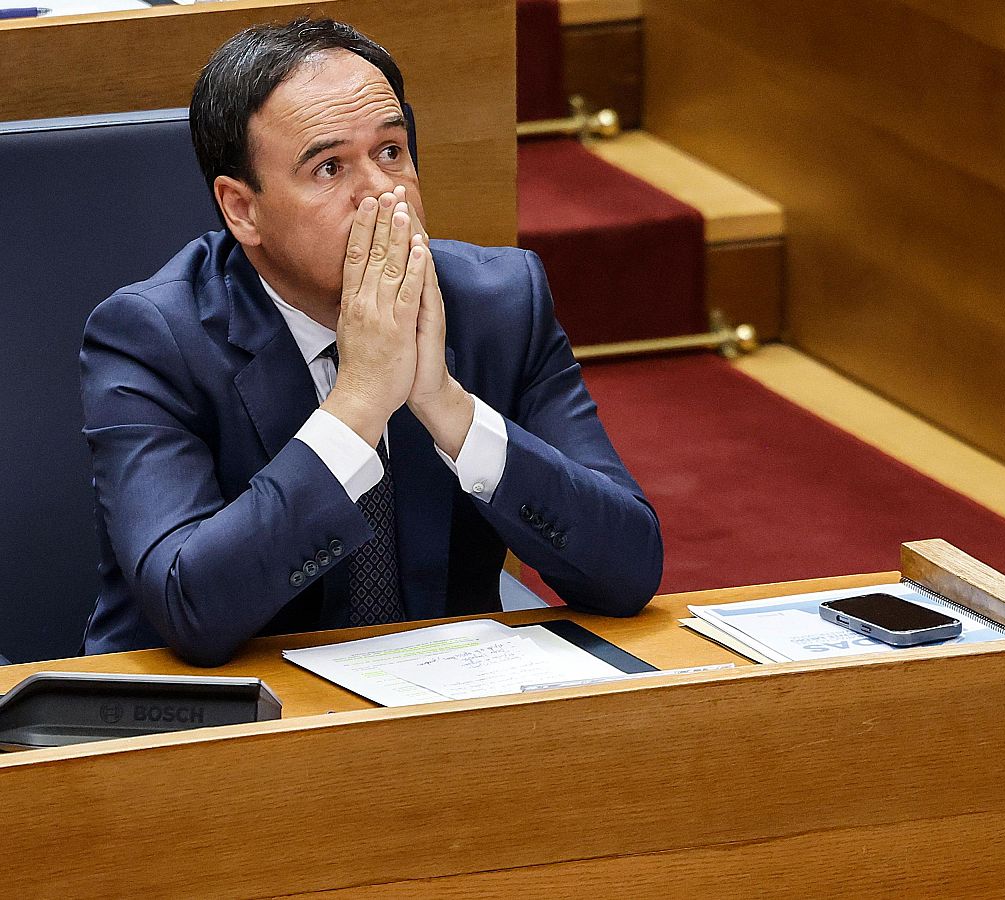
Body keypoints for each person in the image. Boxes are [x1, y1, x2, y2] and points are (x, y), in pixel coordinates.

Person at [79, 18, 663, 666]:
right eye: (330, 168)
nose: (385, 192)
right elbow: (190, 609)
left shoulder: (498, 304)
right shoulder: (154, 338)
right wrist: (357, 403)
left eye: (391, 152)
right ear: (241, 208)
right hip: (218, 731)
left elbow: (629, 570)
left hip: (439, 717)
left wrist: (446, 405)